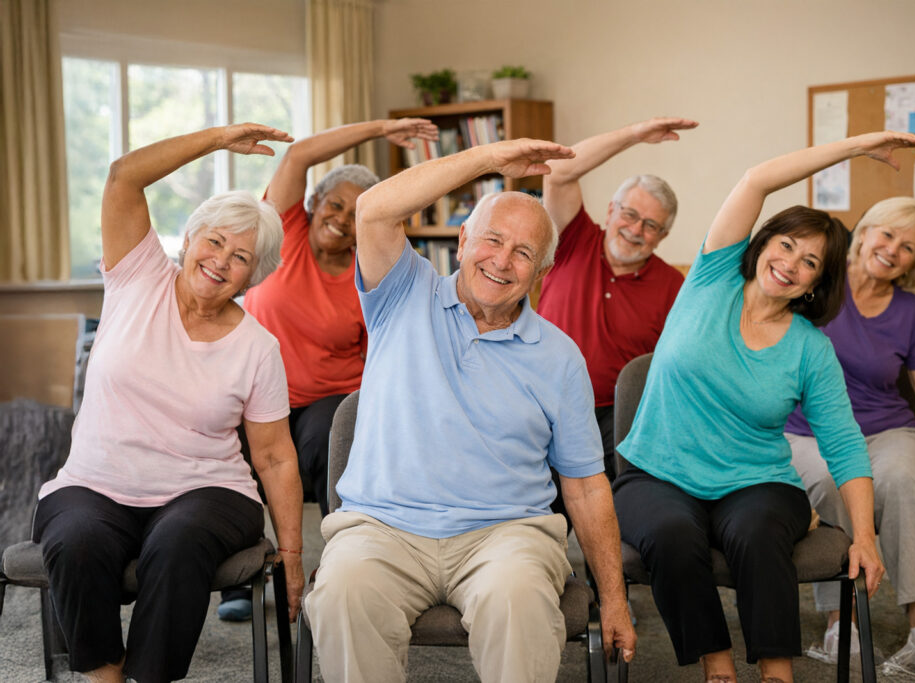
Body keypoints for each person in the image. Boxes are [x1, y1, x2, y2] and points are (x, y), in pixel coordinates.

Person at [302, 138, 637, 681]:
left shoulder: (560, 357)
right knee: (342, 591)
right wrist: (489, 160)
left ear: (542, 271)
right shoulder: (401, 292)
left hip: (507, 534)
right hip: (383, 527)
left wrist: (615, 599)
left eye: (524, 253)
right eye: (492, 240)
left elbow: (584, 485)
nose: (503, 261)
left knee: (519, 600)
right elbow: (375, 208)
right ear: (462, 241)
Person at [613, 131, 915, 682]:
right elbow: (757, 179)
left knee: (759, 534)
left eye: (809, 261)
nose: (790, 263)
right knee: (671, 535)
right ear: (763, 244)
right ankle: (718, 666)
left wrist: (864, 535)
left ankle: (776, 671)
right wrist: (855, 147)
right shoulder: (711, 279)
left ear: (816, 283)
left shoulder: (811, 347)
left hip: (756, 480)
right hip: (658, 472)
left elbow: (843, 443)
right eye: (786, 244)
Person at [31, 124, 306, 682]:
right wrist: (218, 139)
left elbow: (275, 455)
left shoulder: (258, 347)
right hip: (96, 480)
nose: (221, 261)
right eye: (215, 241)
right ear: (190, 237)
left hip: (209, 491)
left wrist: (294, 557)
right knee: (74, 538)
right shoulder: (137, 276)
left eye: (241, 257)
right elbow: (123, 178)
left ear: (255, 276)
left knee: (178, 542)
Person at [785, 197, 915, 683]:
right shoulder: (816, 286)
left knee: (905, 479)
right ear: (863, 233)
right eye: (886, 235)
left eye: (908, 247)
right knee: (831, 478)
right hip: (808, 431)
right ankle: (839, 620)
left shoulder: (913, 313)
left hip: (888, 429)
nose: (892, 250)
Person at [243, 118, 438, 518]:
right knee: (229, 455)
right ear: (315, 203)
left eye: (356, 215)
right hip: (255, 392)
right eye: (336, 205)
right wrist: (381, 129)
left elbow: (379, 357)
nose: (342, 220)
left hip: (326, 398)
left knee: (325, 440)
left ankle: (339, 548)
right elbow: (298, 156)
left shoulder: (368, 275)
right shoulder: (285, 232)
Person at [538, 117, 697, 476]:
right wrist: (634, 135)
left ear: (662, 237)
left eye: (650, 225)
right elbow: (558, 172)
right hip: (541, 400)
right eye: (630, 214)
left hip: (617, 417)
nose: (635, 230)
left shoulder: (674, 286)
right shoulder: (571, 239)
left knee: (615, 501)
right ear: (612, 210)